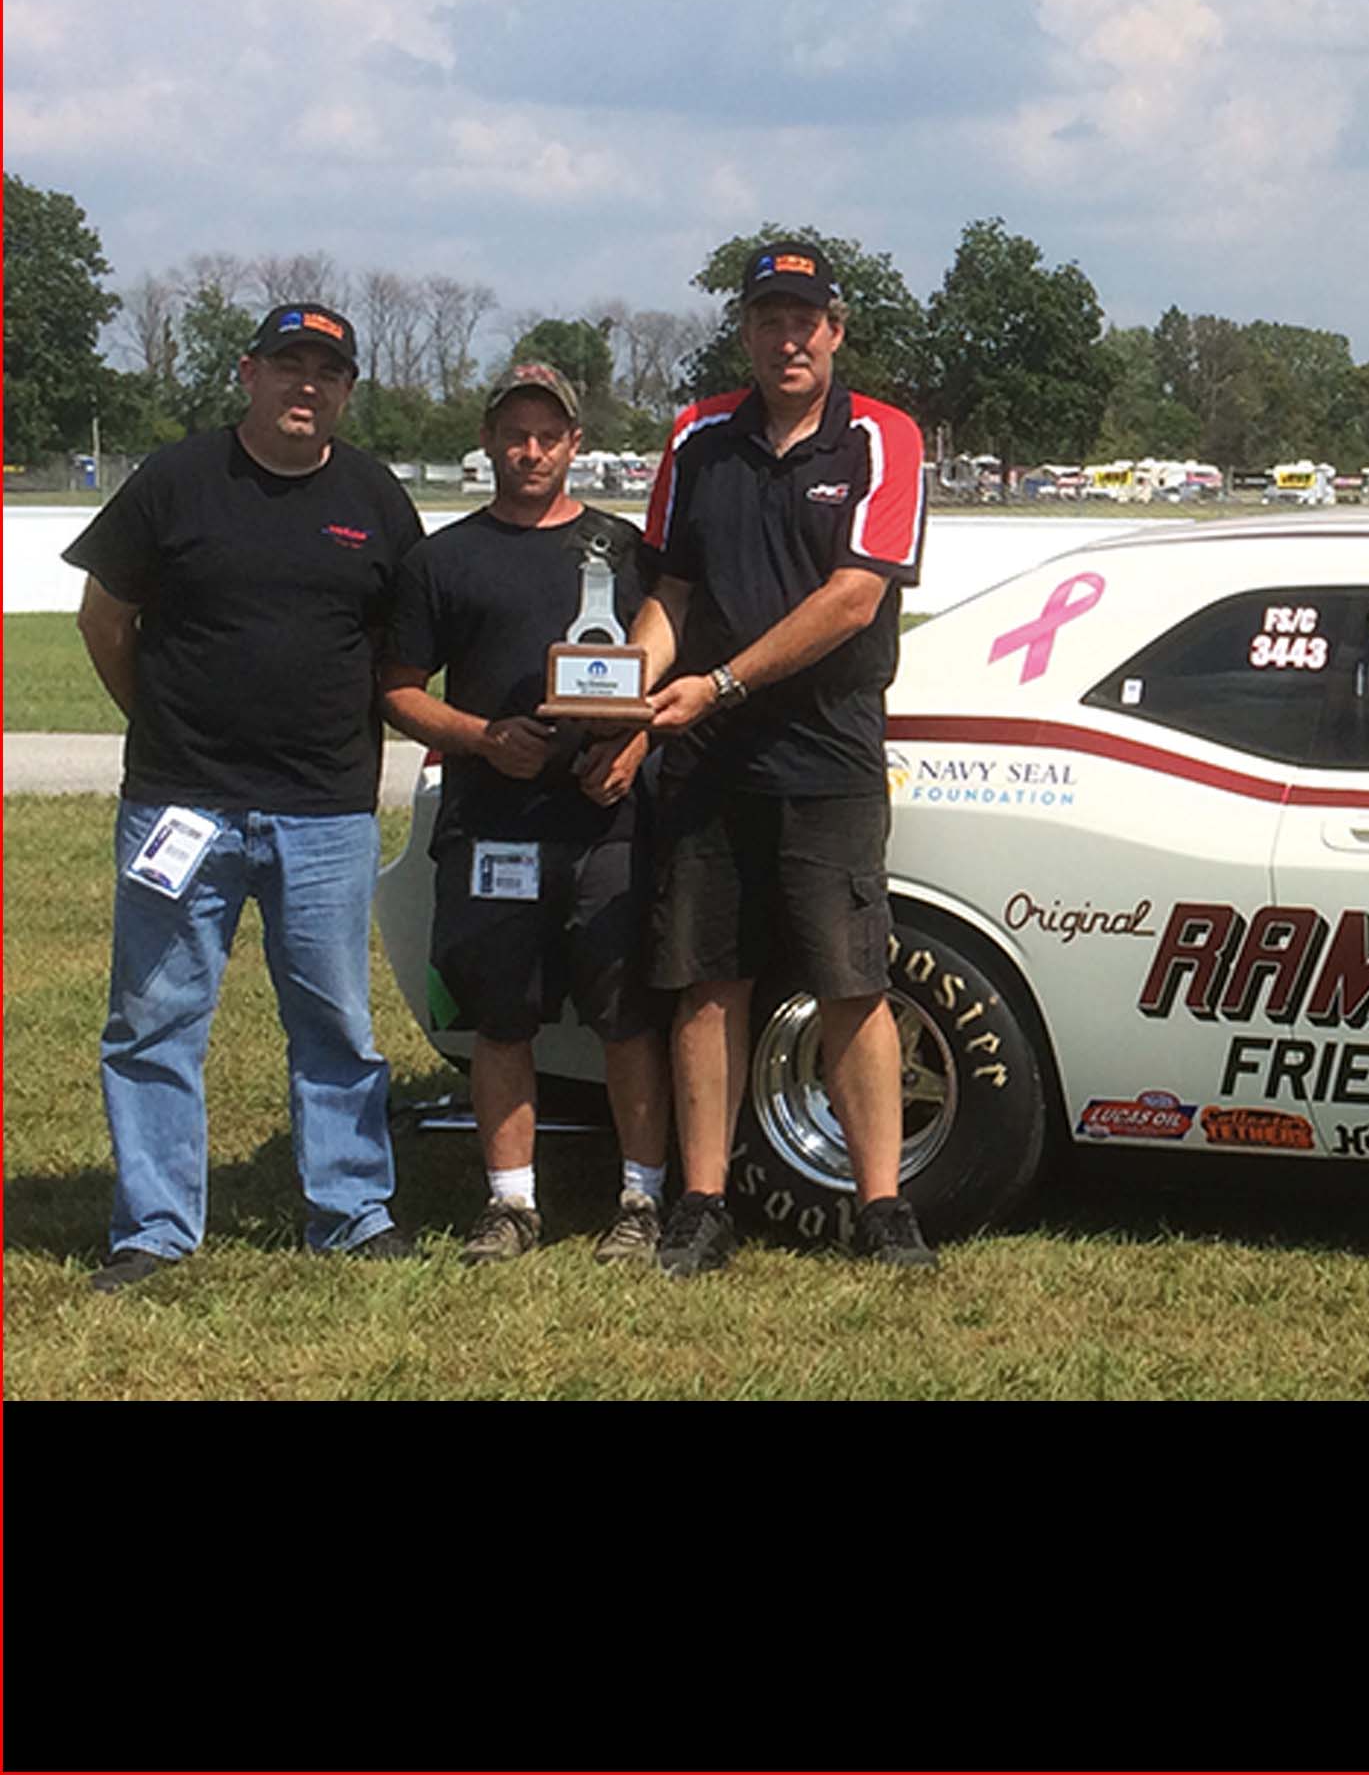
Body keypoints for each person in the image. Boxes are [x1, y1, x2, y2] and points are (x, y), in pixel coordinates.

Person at [67, 301, 428, 1291]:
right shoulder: (176, 479)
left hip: (326, 811)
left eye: (327, 371)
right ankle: (154, 1227)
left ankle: (351, 1211)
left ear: (347, 390)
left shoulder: (374, 497)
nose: (307, 385)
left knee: (336, 1023)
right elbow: (104, 618)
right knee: (154, 1019)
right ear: (248, 373)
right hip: (181, 804)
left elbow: (401, 645)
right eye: (288, 365)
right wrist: (161, 726)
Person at [628, 243, 936, 1275]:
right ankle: (702, 1203)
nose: (787, 339)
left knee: (851, 982)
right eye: (769, 319)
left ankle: (882, 1207)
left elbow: (855, 598)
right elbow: (670, 594)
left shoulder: (883, 436)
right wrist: (621, 695)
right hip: (707, 756)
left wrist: (719, 683)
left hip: (827, 749)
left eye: (805, 320)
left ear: (836, 332)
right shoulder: (697, 435)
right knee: (707, 980)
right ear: (746, 332)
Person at [377, 363, 675, 1265]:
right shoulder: (443, 559)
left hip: (608, 825)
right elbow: (397, 689)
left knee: (627, 1016)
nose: (532, 451)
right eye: (516, 434)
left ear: (575, 443)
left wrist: (634, 743)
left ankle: (641, 1199)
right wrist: (479, 737)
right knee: (502, 1020)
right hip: (494, 826)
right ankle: (511, 1203)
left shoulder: (625, 552)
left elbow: (665, 665)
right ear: (489, 440)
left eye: (549, 435)